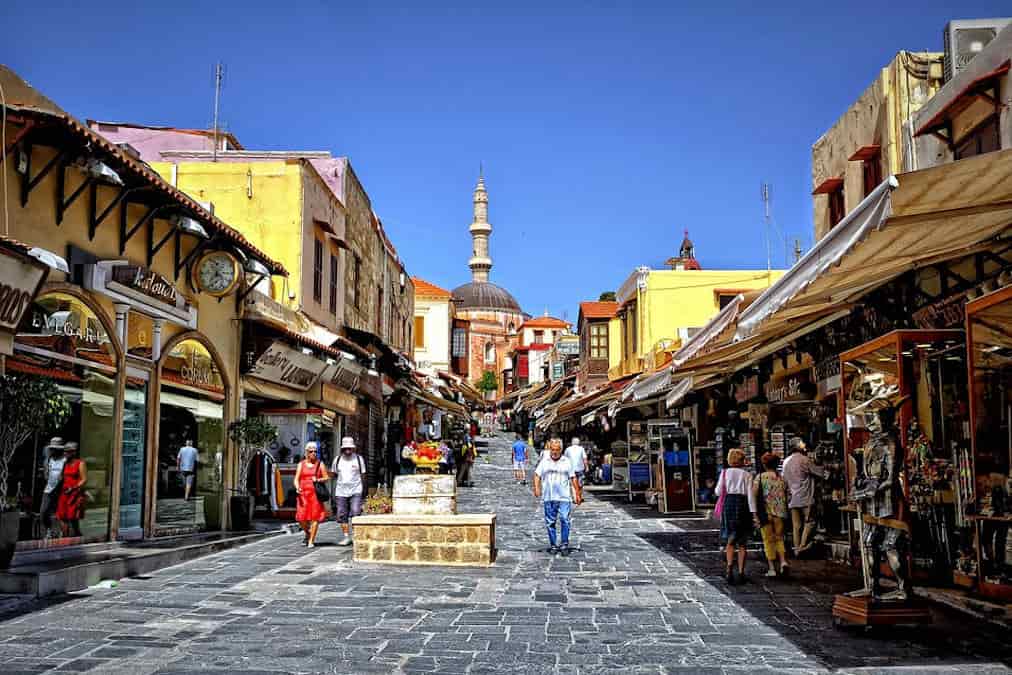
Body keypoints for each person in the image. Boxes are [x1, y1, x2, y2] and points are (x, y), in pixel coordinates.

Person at [533, 438, 583, 556]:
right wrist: (537, 488)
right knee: (550, 522)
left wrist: (577, 493)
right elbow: (536, 475)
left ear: (561, 450)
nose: (554, 452)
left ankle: (564, 544)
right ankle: (554, 545)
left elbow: (573, 477)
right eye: (552, 449)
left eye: (557, 450)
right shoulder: (545, 461)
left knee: (565, 519)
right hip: (549, 497)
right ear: (549, 448)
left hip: (564, 497)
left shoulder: (567, 461)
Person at [716, 447, 755, 585]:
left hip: (729, 504)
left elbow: (718, 491)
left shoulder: (724, 473)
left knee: (730, 540)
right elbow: (750, 496)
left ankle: (729, 569)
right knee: (743, 542)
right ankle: (741, 572)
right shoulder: (747, 475)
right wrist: (754, 513)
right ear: (742, 460)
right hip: (743, 506)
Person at [781, 437, 826, 555]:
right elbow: (820, 472)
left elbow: (784, 479)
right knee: (809, 522)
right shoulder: (804, 460)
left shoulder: (786, 461)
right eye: (802, 443)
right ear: (798, 446)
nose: (804, 444)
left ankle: (796, 548)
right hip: (805, 496)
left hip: (792, 497)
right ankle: (801, 546)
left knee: (796, 525)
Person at [752, 452, 789, 577]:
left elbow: (754, 495)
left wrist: (755, 514)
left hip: (765, 514)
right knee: (779, 538)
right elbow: (788, 494)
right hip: (780, 513)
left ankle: (772, 568)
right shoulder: (781, 478)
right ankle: (783, 562)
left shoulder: (760, 477)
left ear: (764, 464)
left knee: (768, 540)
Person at [331, 437, 366, 547]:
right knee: (342, 514)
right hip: (341, 491)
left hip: (356, 489)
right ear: (342, 449)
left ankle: (356, 536)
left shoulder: (359, 459)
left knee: (356, 511)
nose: (347, 451)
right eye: (345, 449)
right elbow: (334, 474)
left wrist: (363, 490)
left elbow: (363, 474)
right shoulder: (337, 460)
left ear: (353, 449)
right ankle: (347, 536)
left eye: (349, 449)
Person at [294, 441, 330, 547]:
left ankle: (311, 540)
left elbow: (326, 477)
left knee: (315, 517)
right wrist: (297, 488)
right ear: (306, 452)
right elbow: (296, 479)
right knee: (301, 517)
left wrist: (318, 479)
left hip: (315, 494)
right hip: (303, 494)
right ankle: (308, 533)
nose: (313, 453)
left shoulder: (320, 464)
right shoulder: (301, 464)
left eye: (315, 451)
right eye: (311, 451)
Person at [56, 442, 87, 537]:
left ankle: (78, 537)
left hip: (74, 494)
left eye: (67, 452)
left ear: (73, 452)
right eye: (64, 452)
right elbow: (62, 477)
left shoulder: (80, 463)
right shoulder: (65, 463)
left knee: (73, 519)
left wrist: (74, 488)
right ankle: (65, 537)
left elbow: (84, 479)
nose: (65, 454)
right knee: (61, 516)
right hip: (64, 493)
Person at [39, 438, 67, 536]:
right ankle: (49, 529)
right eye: (52, 448)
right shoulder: (48, 460)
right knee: (43, 512)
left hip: (61, 490)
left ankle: (62, 532)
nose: (53, 450)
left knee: (61, 513)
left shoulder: (65, 460)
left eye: (55, 448)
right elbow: (46, 474)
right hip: (49, 489)